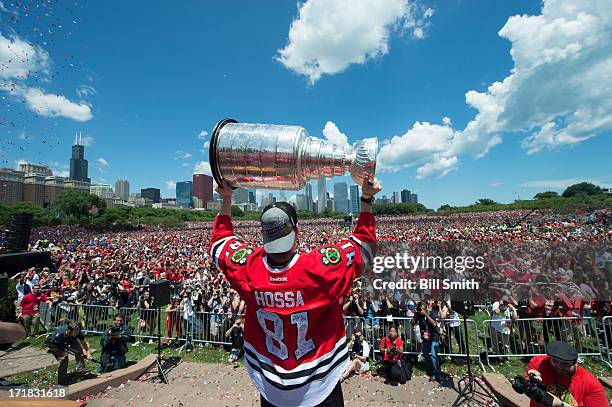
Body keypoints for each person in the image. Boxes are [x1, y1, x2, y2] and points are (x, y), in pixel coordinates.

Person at [209, 175, 380, 407]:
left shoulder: (249, 268)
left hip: (271, 386)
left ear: (264, 234)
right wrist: (367, 198)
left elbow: (220, 244)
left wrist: (226, 200)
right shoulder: (319, 269)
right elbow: (365, 247)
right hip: (321, 386)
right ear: (296, 231)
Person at [525, 341, 607, 407]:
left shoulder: (590, 384)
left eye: (565, 363)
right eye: (555, 361)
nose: (559, 366)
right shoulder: (540, 363)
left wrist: (559, 404)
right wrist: (531, 381)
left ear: (575, 363)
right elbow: (527, 389)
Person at [45, 320, 94, 385]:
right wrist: (50, 349)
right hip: (56, 345)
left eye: (78, 330)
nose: (77, 332)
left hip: (70, 340)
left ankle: (81, 369)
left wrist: (88, 354)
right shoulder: (60, 334)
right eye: (75, 331)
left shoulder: (78, 332)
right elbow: (50, 344)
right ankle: (62, 381)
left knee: (79, 351)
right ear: (69, 331)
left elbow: (85, 343)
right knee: (64, 360)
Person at [412, 301, 441, 382]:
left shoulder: (432, 313)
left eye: (422, 309)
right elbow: (412, 323)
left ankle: (436, 374)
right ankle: (431, 367)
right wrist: (415, 315)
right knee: (425, 353)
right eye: (420, 309)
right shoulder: (418, 315)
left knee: (433, 355)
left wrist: (426, 314)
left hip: (434, 337)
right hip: (425, 338)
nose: (421, 310)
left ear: (426, 308)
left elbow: (434, 324)